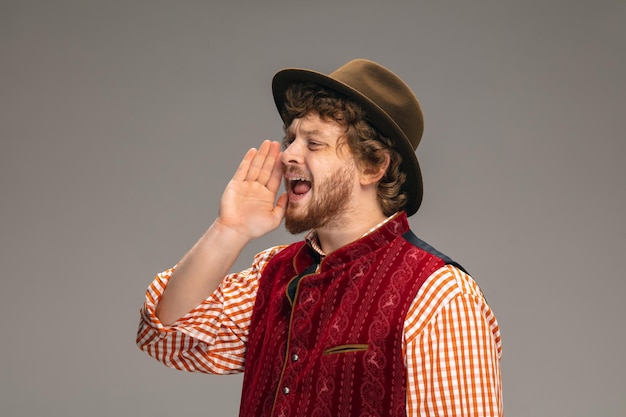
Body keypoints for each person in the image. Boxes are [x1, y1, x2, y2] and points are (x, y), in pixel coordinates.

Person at [136, 59, 503, 416]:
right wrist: (228, 231)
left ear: (373, 166)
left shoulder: (439, 297)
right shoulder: (274, 274)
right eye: (291, 139)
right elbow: (169, 335)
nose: (288, 155)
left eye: (313, 144)